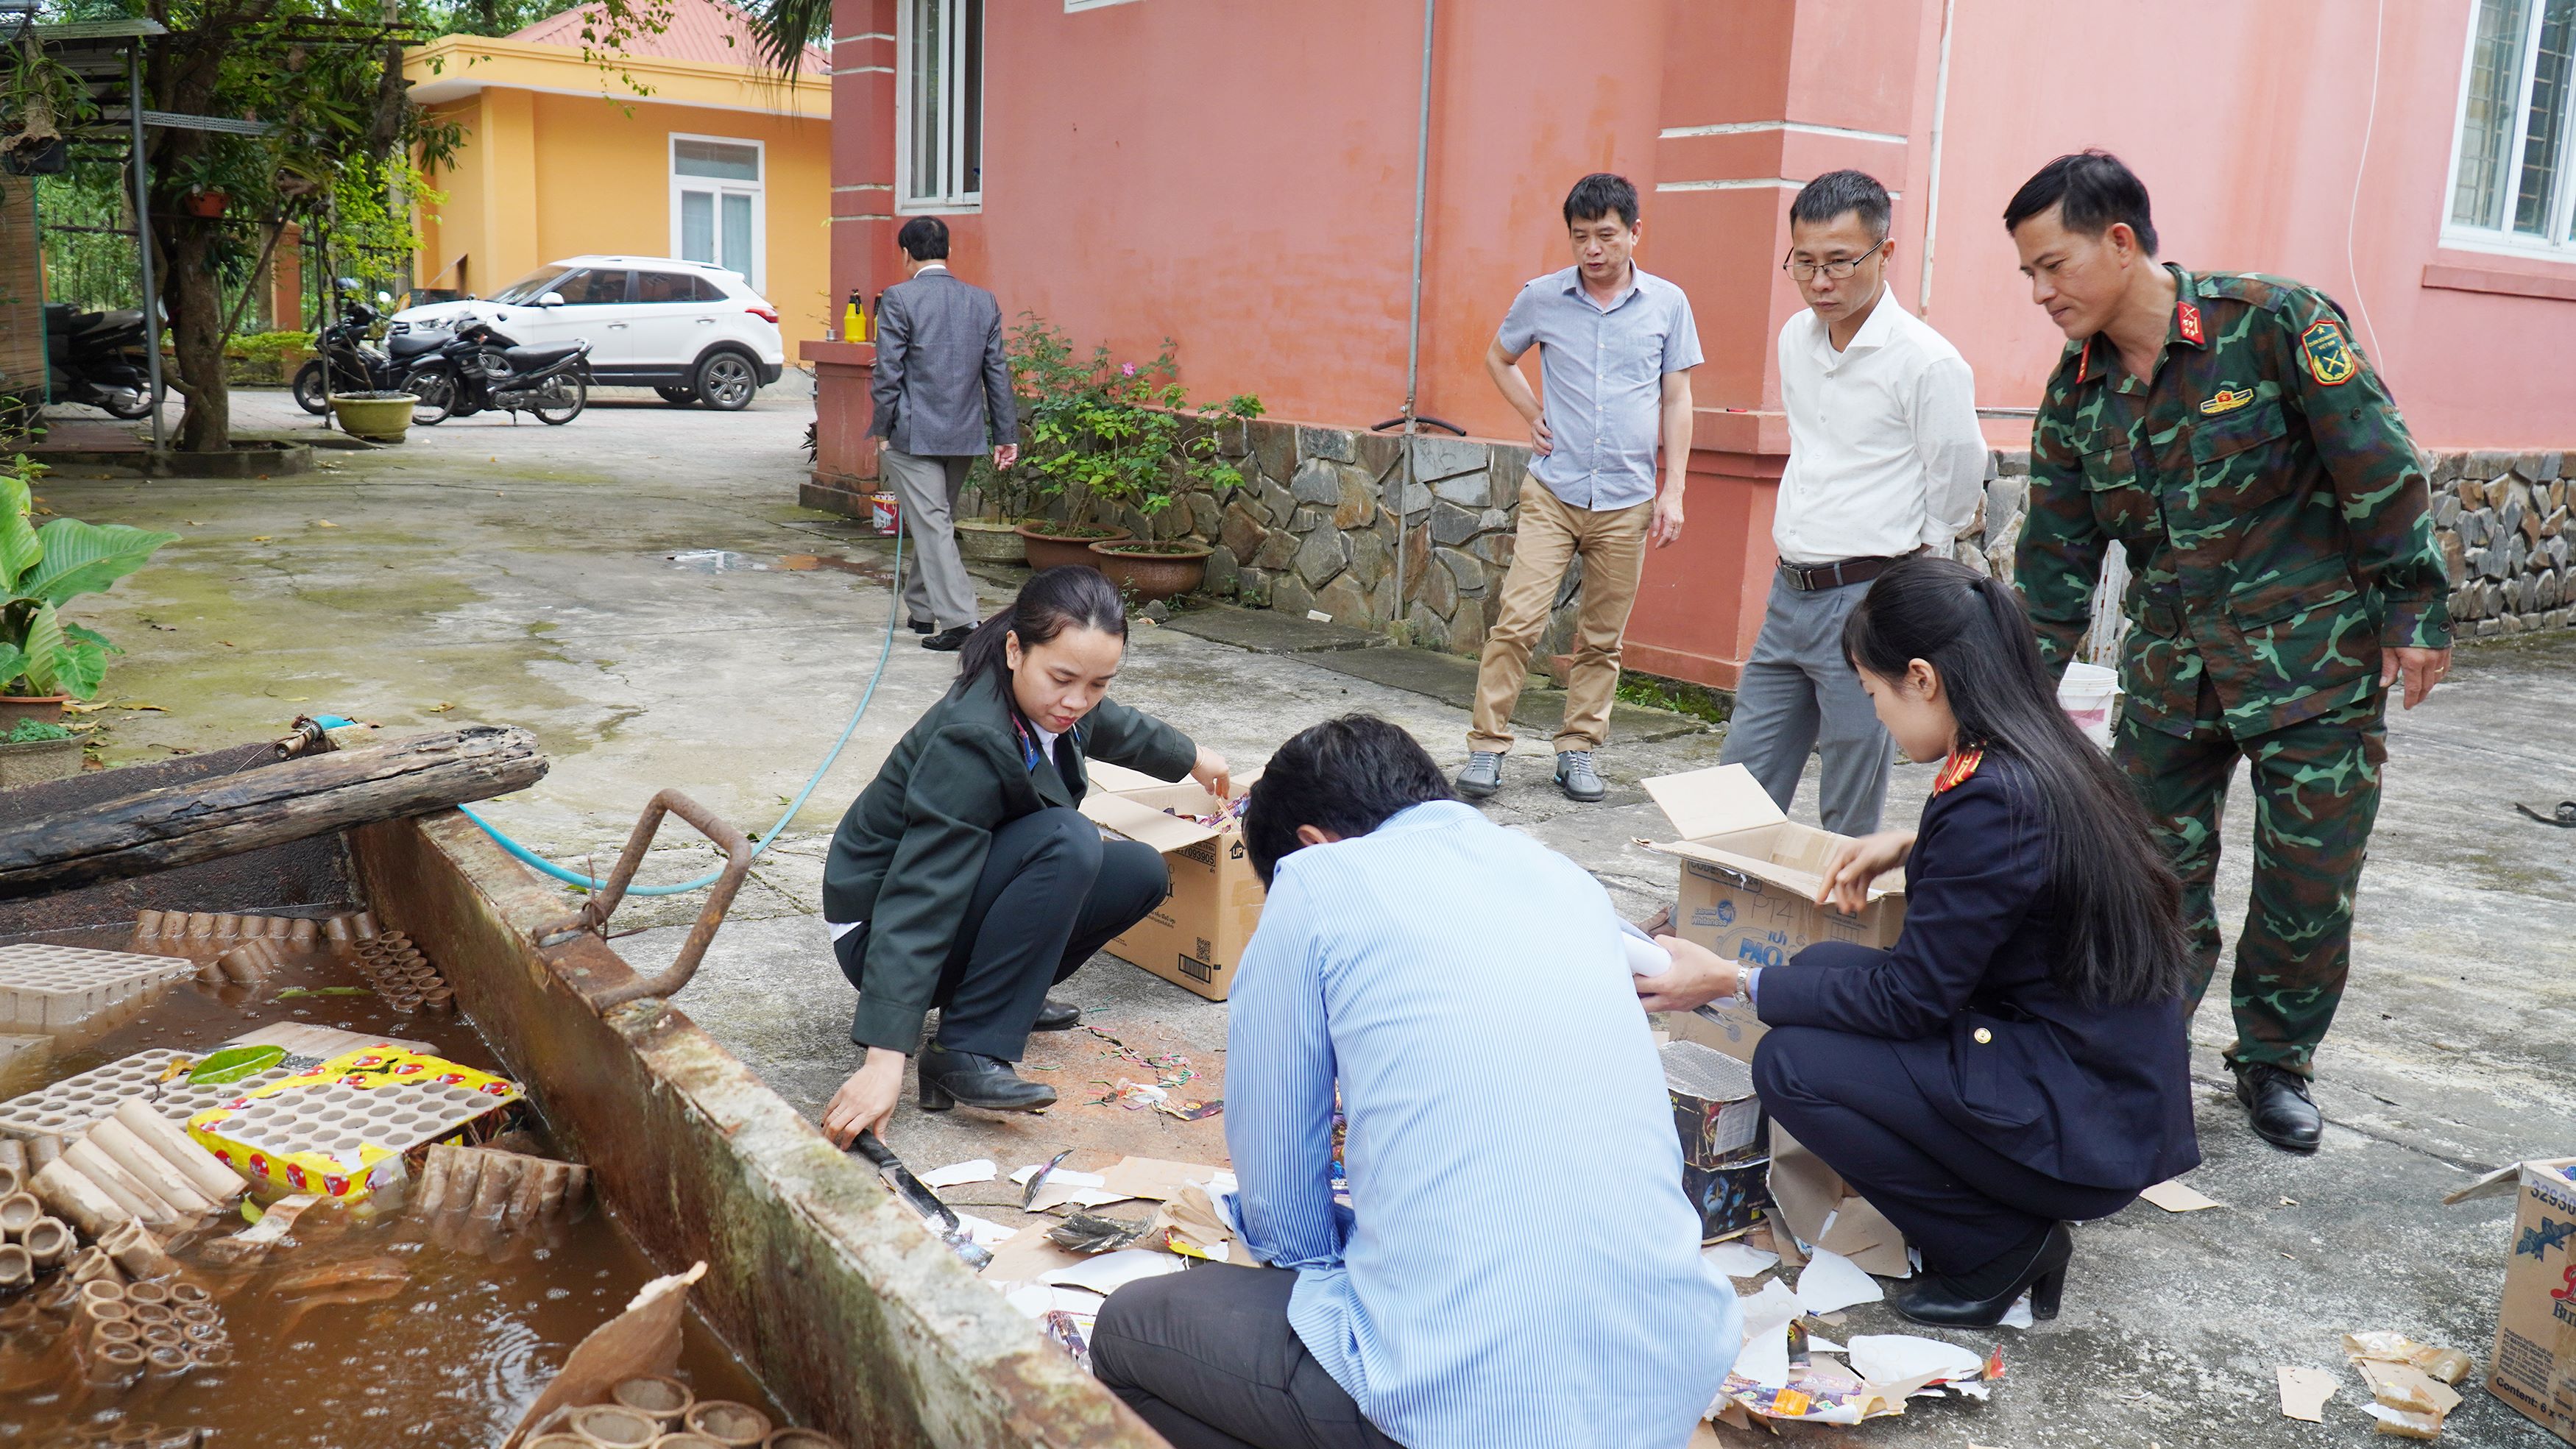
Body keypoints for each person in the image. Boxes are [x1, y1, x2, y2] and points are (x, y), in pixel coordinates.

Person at [1093, 715, 1735, 1449]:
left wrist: (1320, 1265)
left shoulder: (1318, 882)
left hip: (1470, 1407)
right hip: (1665, 1383)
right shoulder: (1564, 878)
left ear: (1310, 843)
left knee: (1129, 1331)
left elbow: (1281, 1198)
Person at [2003, 151, 2452, 1153]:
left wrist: (2414, 611)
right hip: (2173, 672)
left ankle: (2274, 1062)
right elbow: (2054, 566)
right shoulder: (2076, 395)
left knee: (2309, 879)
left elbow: (2377, 467)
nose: (2040, 292)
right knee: (2149, 873)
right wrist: (2008, 704)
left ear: (2120, 242)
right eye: (2027, 274)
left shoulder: (2274, 322)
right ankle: (2144, 1049)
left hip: (2312, 664)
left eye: (2053, 265)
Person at [1641, 556, 2199, 1327]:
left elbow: (1910, 998)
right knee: (1824, 965)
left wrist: (1731, 979)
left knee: (1791, 1064)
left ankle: (2000, 1243)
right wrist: (1909, 842)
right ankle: (1991, 1213)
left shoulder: (1989, 801)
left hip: (2080, 1126)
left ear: (1920, 677)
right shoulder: (2034, 756)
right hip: (2090, 1081)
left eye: (1872, 694)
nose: (1874, 713)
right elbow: (2011, 862)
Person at [815, 567, 1229, 1141]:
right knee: (1068, 840)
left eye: (1098, 683)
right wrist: (885, 1060)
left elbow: (1113, 725)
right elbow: (923, 889)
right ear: (1015, 649)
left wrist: (1192, 756)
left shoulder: (1054, 703)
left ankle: (1008, 994)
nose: (1077, 701)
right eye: (1063, 678)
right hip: (878, 925)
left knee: (1139, 871)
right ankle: (965, 1047)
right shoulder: (972, 736)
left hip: (956, 896)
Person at [1719, 169, 1987, 835]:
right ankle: (1709, 909)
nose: (1820, 282)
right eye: (1804, 263)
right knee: (1738, 778)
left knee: (1848, 791)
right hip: (1791, 591)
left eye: (1840, 262)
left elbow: (1958, 472)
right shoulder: (1795, 340)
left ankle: (1837, 926)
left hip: (1869, 597)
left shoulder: (1926, 362)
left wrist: (1913, 565)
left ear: (1885, 254)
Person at [1457, 172, 1700, 805]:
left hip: (1626, 501)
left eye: (1606, 235)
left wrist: (1673, 490)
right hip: (1554, 492)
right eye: (1581, 236)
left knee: (1601, 638)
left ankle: (1578, 750)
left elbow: (1677, 397)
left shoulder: (1668, 304)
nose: (1593, 249)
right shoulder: (1541, 297)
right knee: (1518, 619)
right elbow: (1498, 357)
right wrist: (1528, 411)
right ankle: (1487, 746)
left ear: (1634, 233)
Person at [870, 215, 1021, 652]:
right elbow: (997, 373)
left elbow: (887, 373)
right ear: (948, 252)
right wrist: (1005, 434)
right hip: (965, 434)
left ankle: (961, 622)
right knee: (934, 520)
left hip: (914, 435)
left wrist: (881, 430)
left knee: (932, 522)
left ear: (906, 254)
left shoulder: (899, 298)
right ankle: (920, 609)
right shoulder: (983, 301)